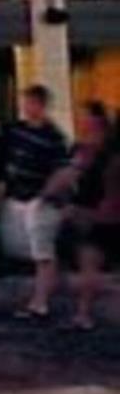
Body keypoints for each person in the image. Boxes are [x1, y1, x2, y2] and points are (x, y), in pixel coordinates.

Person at [4, 83, 73, 319]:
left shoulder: (53, 138)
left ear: (39, 105)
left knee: (43, 254)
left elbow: (63, 171)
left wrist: (44, 196)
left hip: (42, 201)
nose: (24, 107)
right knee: (27, 249)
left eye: (28, 103)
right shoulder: (19, 129)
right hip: (20, 198)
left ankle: (40, 303)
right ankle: (46, 291)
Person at [64, 101, 118, 332]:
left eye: (84, 116)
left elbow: (110, 184)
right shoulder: (81, 148)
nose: (80, 121)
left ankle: (84, 314)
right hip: (91, 211)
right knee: (89, 263)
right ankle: (83, 313)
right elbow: (72, 177)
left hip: (103, 212)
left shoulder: (109, 151)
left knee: (91, 262)